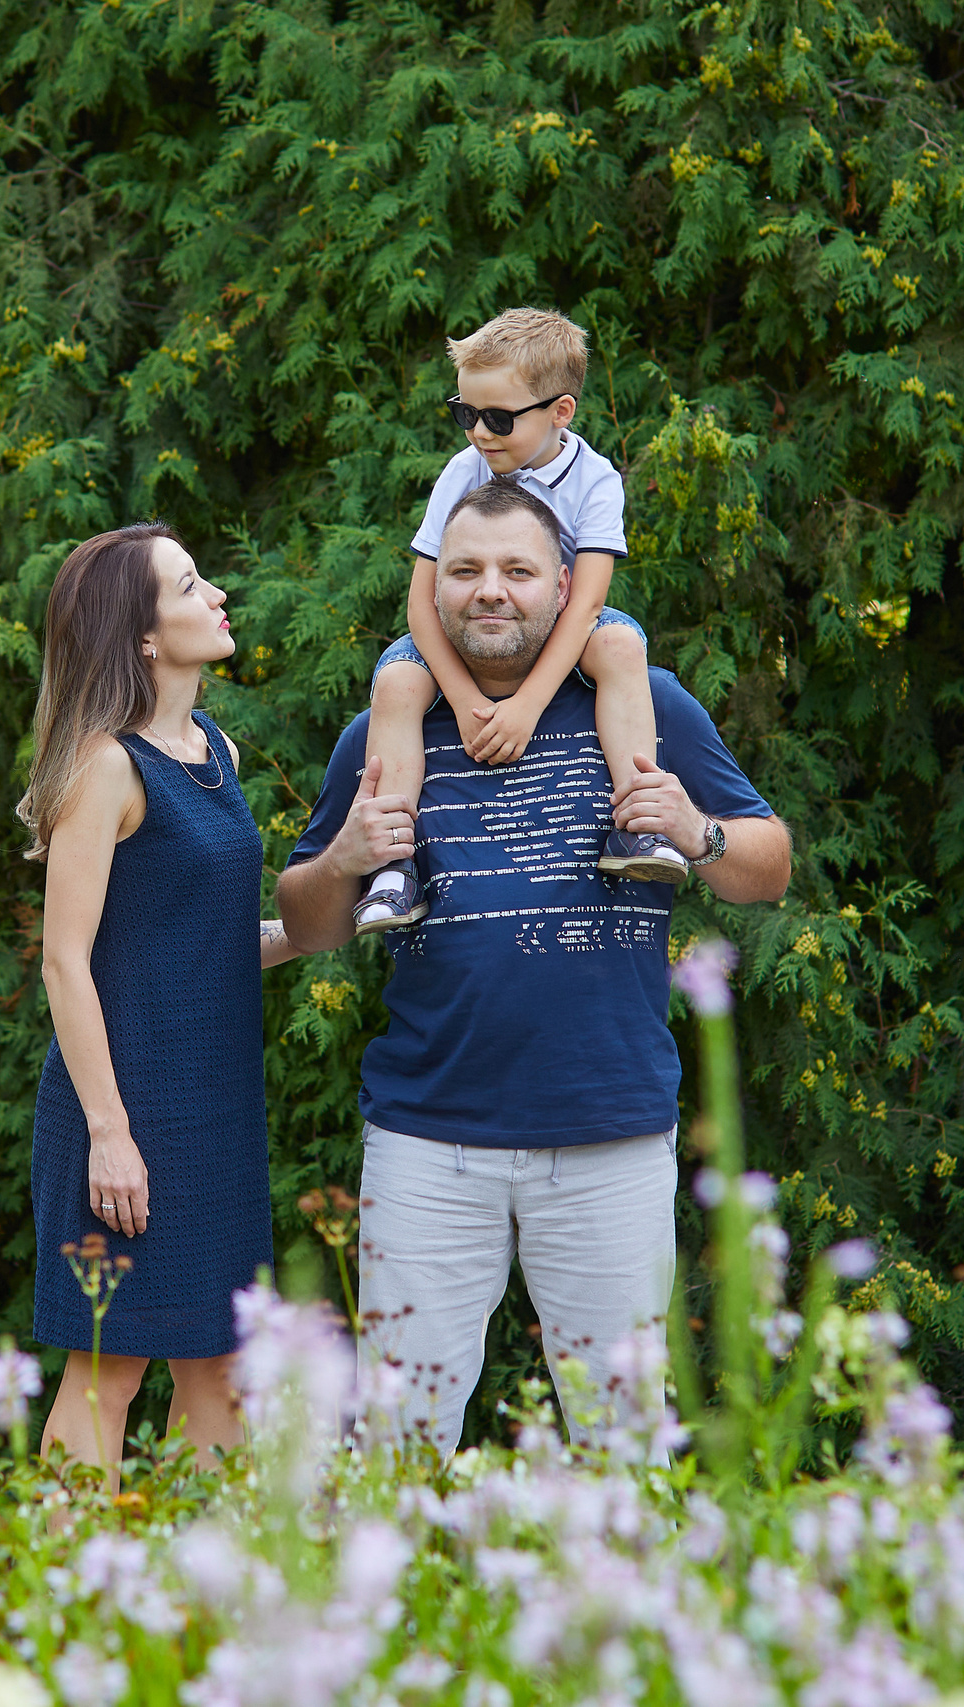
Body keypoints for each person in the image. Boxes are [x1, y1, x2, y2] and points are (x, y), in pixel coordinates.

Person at [276, 479, 792, 1453]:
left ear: (565, 585)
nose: (489, 590)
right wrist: (343, 859)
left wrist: (698, 830)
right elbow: (309, 923)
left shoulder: (644, 705)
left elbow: (768, 870)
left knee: (623, 1442)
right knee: (395, 1443)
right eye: (464, 570)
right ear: (433, 590)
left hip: (609, 1132)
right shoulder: (386, 727)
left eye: (517, 570)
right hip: (426, 1138)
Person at [16, 522, 302, 1479]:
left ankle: (190, 1563)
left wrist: (320, 922)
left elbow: (204, 942)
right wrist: (110, 1133)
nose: (217, 593)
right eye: (189, 585)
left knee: (220, 1364)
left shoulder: (214, 749)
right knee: (108, 1369)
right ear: (142, 636)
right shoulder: (106, 766)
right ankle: (61, 1564)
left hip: (213, 1113)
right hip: (124, 1114)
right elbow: (65, 962)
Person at [353, 306, 682, 935]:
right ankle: (392, 869)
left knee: (620, 647)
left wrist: (528, 705)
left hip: (559, 624)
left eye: (498, 418)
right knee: (396, 683)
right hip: (467, 633)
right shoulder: (463, 470)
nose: (479, 433)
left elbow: (586, 604)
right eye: (465, 413)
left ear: (561, 411)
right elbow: (422, 603)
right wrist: (465, 701)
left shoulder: (595, 481)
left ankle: (637, 825)